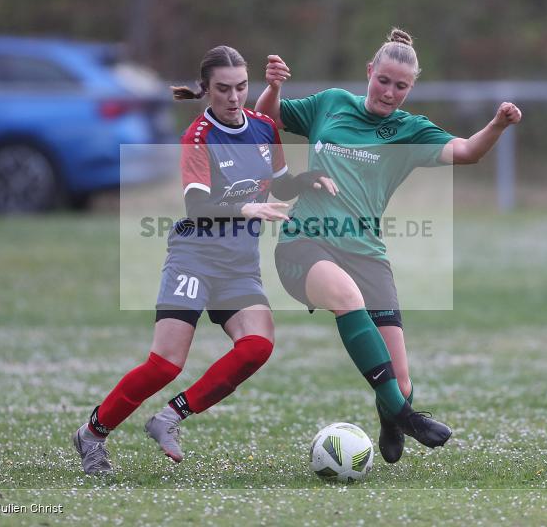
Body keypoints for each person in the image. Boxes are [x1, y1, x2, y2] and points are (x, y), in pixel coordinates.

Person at [255, 28, 522, 464]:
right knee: (346, 297)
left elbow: (469, 151)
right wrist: (273, 87)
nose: (389, 91)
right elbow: (267, 119)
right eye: (383, 80)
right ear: (369, 72)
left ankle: (391, 412)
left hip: (366, 253)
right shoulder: (330, 103)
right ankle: (408, 418)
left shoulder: (409, 130)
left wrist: (498, 124)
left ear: (410, 88)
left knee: (399, 377)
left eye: (401, 86)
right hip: (304, 241)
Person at [73, 45, 335, 475]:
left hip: (238, 266)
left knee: (257, 347)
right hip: (194, 258)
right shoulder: (198, 137)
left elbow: (282, 186)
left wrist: (309, 179)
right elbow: (197, 208)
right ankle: (92, 434)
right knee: (165, 364)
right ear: (206, 90)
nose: (234, 98)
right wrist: (247, 208)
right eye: (223, 89)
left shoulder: (265, 128)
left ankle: (169, 417)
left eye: (241, 88)